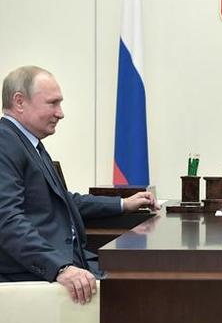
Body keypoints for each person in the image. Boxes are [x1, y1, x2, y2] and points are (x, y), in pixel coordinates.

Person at [0, 65, 159, 304]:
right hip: (38, 273)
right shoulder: (5, 143)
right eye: (52, 103)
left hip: (74, 260)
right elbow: (8, 221)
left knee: (145, 278)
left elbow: (64, 201)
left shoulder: (28, 143)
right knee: (143, 296)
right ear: (19, 102)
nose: (60, 113)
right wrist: (60, 268)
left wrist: (123, 204)